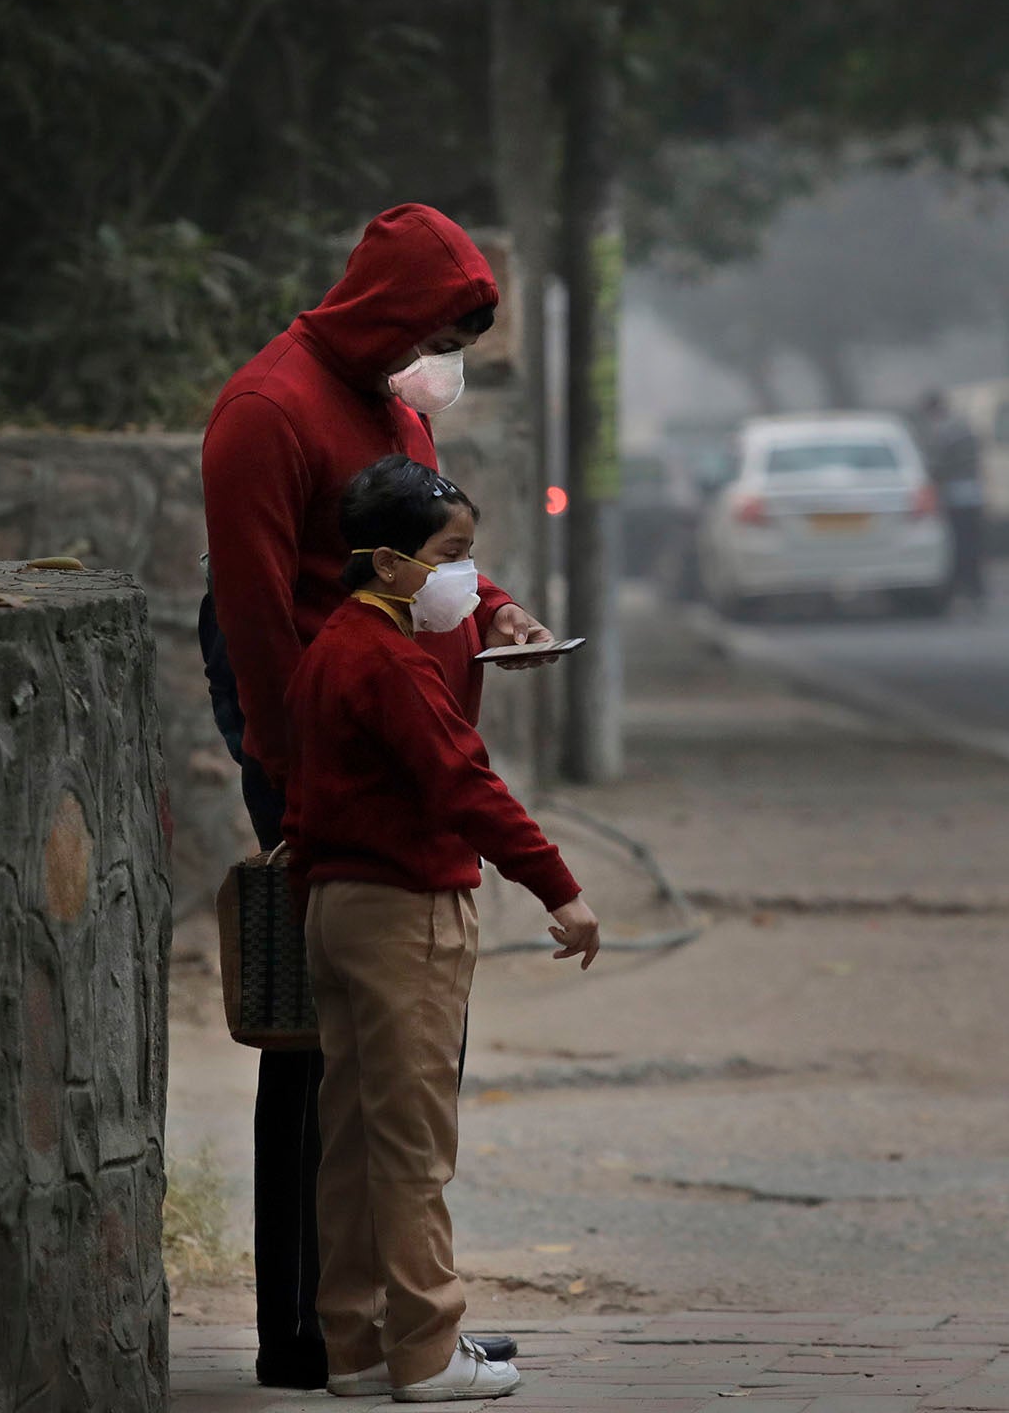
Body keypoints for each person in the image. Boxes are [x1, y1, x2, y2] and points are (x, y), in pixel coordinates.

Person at [198, 203, 551, 1389]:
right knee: (326, 1026)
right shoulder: (267, 410)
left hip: (397, 715)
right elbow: (252, 615)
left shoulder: (395, 405)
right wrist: (292, 775)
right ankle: (311, 1327)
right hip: (316, 726)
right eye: (435, 328)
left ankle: (399, 1325)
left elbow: (431, 549)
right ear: (386, 308)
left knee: (399, 1041)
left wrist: (494, 606)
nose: (438, 355)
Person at [284, 455, 600, 1403]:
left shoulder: (333, 646)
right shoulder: (390, 663)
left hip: (335, 907)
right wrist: (560, 887)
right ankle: (426, 1350)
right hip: (404, 913)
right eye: (451, 555)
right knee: (414, 1144)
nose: (468, 576)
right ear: (390, 564)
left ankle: (357, 1341)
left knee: (352, 1139)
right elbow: (464, 783)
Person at [916, 386, 986, 609]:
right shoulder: (964, 426)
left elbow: (937, 466)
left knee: (956, 546)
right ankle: (976, 588)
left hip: (954, 495)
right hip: (974, 493)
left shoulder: (940, 431)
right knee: (973, 544)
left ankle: (961, 587)